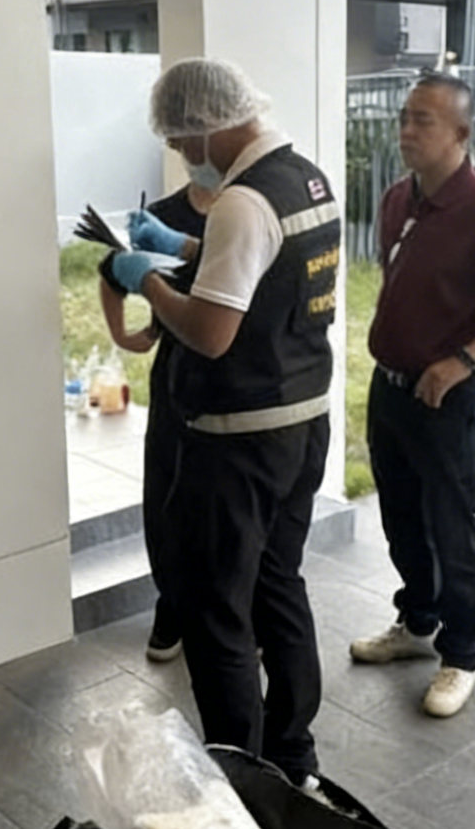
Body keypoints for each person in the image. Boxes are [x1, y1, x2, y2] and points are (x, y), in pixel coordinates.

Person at [103, 58, 339, 792]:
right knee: (278, 585)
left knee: (216, 610)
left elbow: (209, 333)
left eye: (180, 138)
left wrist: (147, 279)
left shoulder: (242, 201)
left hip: (239, 436)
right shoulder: (306, 179)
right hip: (303, 421)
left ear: (209, 123)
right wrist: (180, 248)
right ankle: (293, 757)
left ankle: (241, 777)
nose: (181, 153)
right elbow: (263, 265)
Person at [349, 74, 475, 717]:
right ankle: (418, 622)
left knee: (452, 527)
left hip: (446, 399)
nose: (407, 131)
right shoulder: (397, 198)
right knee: (401, 519)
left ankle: (461, 654)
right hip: (390, 389)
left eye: (424, 121)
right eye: (405, 118)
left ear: (461, 134)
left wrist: (468, 358)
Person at [98, 183, 218, 664]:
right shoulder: (163, 214)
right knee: (166, 496)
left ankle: (231, 612)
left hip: (233, 375)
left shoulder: (246, 208)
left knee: (223, 503)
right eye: (179, 145)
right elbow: (112, 272)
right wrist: (126, 334)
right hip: (176, 371)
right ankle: (172, 606)